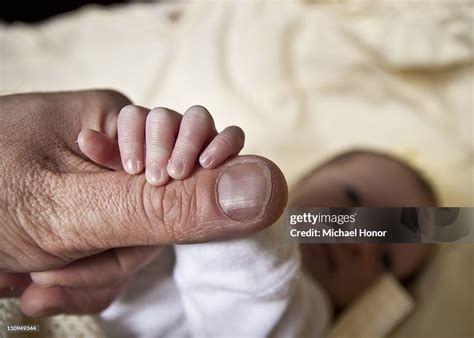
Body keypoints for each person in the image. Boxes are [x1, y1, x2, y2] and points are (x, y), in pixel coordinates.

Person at [73, 102, 433, 337]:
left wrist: (221, 196)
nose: (359, 238)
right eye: (351, 200)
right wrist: (145, 159)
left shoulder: (307, 313)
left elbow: (244, 305)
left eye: (385, 254)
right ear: (303, 180)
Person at [0, 90, 287, 318]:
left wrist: (241, 232)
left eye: (334, 225)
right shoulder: (145, 256)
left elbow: (245, 318)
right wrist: (148, 160)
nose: (332, 221)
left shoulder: (304, 304)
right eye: (333, 195)